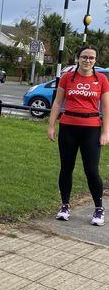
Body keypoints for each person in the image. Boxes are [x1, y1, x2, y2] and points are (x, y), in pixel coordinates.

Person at [48, 45, 109, 226]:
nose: (87, 61)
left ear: (95, 60)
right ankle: (65, 206)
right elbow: (58, 102)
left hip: (91, 128)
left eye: (91, 58)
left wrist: (106, 131)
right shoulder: (68, 78)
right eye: (84, 57)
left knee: (91, 170)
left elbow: (105, 107)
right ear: (78, 58)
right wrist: (51, 126)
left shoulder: (102, 80)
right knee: (66, 168)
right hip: (68, 127)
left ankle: (99, 208)